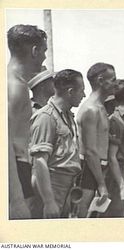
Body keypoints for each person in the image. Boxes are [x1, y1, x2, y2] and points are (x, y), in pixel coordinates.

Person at [29, 69, 85, 218]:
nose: (84, 95)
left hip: (67, 187)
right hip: (51, 186)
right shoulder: (46, 117)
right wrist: (48, 201)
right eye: (82, 90)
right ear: (70, 91)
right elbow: (39, 161)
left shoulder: (67, 116)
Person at [7, 24, 47, 219]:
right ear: (34, 50)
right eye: (44, 51)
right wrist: (16, 200)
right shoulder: (15, 87)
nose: (45, 57)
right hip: (14, 171)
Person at [76, 63, 116, 218]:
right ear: (101, 80)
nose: (115, 83)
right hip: (89, 170)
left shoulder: (100, 108)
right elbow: (90, 151)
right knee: (84, 217)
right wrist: (101, 184)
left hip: (98, 169)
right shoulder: (91, 109)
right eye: (113, 79)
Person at [102, 83, 124, 217]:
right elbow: (112, 157)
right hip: (118, 176)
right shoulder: (115, 120)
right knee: (116, 218)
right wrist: (122, 186)